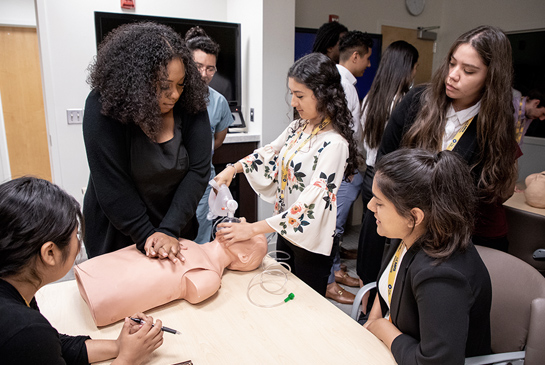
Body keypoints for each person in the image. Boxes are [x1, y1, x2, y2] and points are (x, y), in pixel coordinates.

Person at [357, 25, 520, 301]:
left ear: (491, 78)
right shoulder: (418, 101)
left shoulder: (495, 127)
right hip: (398, 227)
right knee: (378, 301)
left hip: (446, 242)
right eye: (452, 63)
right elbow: (387, 158)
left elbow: (479, 193)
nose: (453, 76)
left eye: (469, 71)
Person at [214, 53, 359, 296]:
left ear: (323, 94)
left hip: (311, 241)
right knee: (284, 296)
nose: (293, 102)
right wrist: (233, 168)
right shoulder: (298, 127)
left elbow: (309, 206)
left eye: (299, 95)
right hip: (286, 229)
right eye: (291, 93)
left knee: (304, 303)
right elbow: (270, 152)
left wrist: (253, 229)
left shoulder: (335, 144)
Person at [83, 22, 211, 262]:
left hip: (174, 225)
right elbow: (112, 184)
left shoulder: (190, 104)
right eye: (164, 86)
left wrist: (168, 230)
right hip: (119, 230)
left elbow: (198, 171)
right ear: (136, 81)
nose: (174, 94)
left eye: (180, 84)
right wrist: (147, 236)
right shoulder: (104, 105)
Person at [0, 177, 163, 365]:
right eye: (76, 234)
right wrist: (128, 359)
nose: (79, 242)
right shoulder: (25, 330)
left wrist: (120, 346)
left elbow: (54, 346)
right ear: (50, 253)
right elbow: (38, 342)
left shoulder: (17, 289)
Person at [363, 149, 492, 365]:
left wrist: (381, 327)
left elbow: (435, 362)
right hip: (395, 342)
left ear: (414, 216)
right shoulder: (408, 232)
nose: (370, 207)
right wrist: (373, 319)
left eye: (379, 203)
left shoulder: (443, 276)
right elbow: (389, 281)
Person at [75, 234, 268, 326]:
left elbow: (195, 293)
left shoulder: (210, 274)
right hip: (110, 272)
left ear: (244, 258)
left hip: (110, 293)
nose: (239, 224)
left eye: (248, 233)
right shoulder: (191, 245)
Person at [356, 40, 419, 312]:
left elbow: (362, 140)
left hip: (370, 174)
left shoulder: (372, 96)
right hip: (392, 180)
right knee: (393, 246)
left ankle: (364, 297)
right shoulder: (407, 100)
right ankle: (382, 307)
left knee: (370, 239)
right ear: (408, 67)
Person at [326, 30, 373, 304]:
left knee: (335, 226)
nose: (368, 64)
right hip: (343, 168)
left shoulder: (339, 82)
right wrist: (353, 166)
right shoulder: (343, 85)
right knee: (334, 226)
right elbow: (348, 133)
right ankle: (330, 281)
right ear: (355, 56)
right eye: (366, 58)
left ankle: (336, 270)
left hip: (343, 167)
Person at [185, 26, 234, 244]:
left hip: (204, 181)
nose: (204, 74)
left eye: (210, 69)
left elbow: (218, 141)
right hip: (172, 181)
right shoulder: (171, 99)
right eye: (198, 67)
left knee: (201, 237)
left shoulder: (219, 102)